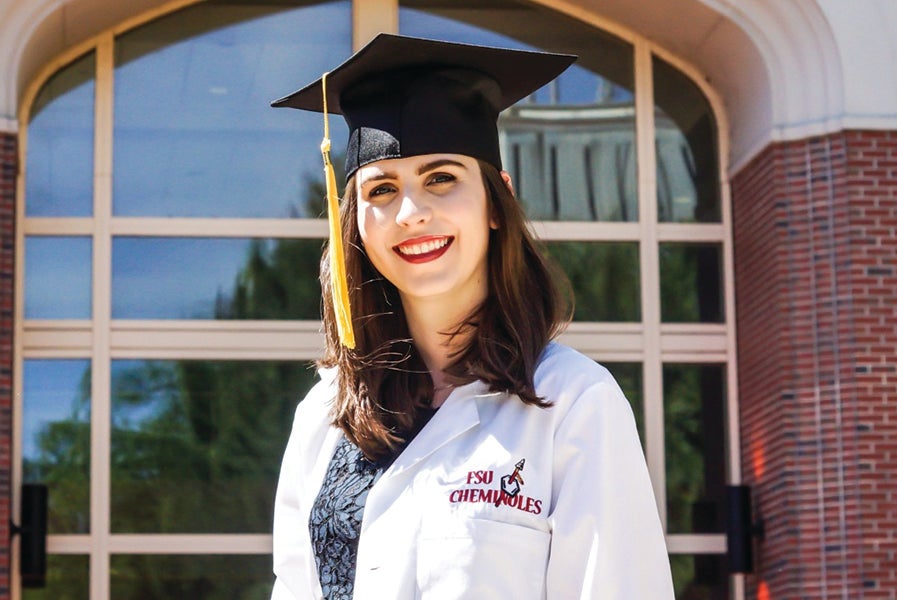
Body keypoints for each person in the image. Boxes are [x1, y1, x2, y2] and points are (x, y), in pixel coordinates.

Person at [269, 33, 675, 599]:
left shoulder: (573, 402)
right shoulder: (326, 414)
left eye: (442, 178)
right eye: (381, 188)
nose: (411, 213)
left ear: (496, 201)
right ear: (355, 223)